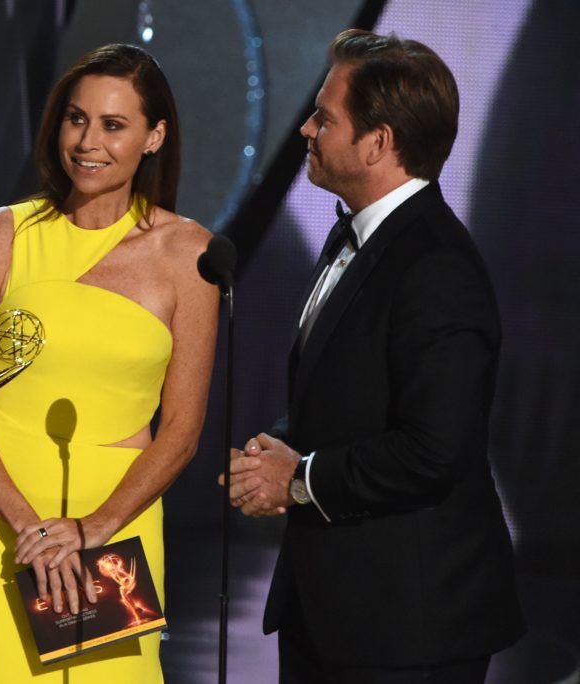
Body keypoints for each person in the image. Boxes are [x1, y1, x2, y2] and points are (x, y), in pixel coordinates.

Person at [225, 29, 524, 683]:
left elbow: (435, 450)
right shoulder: (355, 237)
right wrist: (271, 453)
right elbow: (347, 394)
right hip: (329, 613)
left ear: (378, 143)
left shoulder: (434, 266)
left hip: (407, 631)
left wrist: (299, 478)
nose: (305, 127)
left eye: (325, 117)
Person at [0, 43, 218, 681]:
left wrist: (94, 528)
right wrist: (27, 527)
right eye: (76, 118)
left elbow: (181, 431)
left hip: (115, 529)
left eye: (114, 125)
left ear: (155, 136)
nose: (88, 141)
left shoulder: (190, 255)